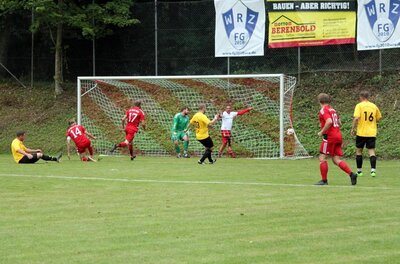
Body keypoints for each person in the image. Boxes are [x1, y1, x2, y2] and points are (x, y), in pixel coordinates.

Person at [316, 93, 357, 186]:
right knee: (335, 159)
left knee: (322, 158)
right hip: (338, 135)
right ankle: (352, 174)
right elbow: (339, 122)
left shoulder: (323, 110)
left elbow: (329, 121)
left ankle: (324, 181)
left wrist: (322, 131)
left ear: (319, 101)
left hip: (329, 137)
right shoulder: (332, 109)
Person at [351, 90, 382, 177]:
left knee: (359, 151)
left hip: (361, 132)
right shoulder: (373, 106)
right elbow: (379, 118)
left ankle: (359, 171)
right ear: (368, 97)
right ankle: (373, 171)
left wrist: (353, 128)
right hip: (372, 132)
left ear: (361, 97)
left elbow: (356, 118)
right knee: (371, 151)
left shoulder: (359, 105)